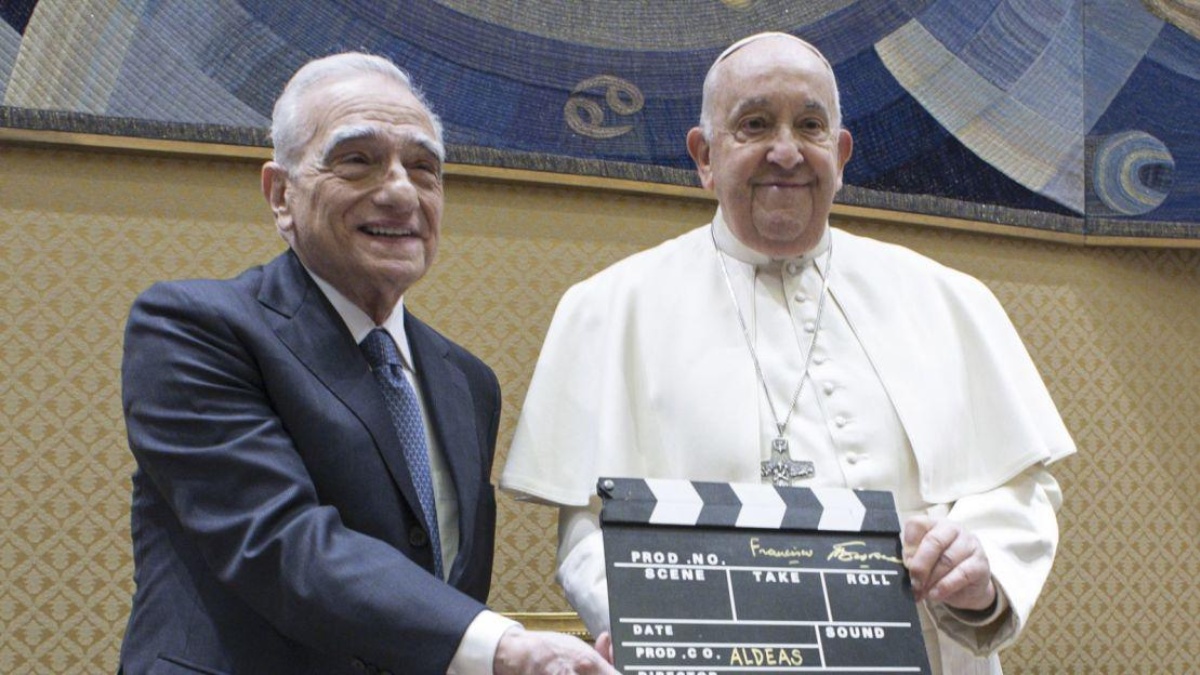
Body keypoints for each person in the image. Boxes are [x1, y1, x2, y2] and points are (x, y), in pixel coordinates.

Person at [500, 32, 1075, 674]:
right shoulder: (608, 308)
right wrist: (670, 636)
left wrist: (980, 569)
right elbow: (590, 533)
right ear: (704, 156)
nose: (786, 150)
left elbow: (1016, 490)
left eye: (810, 125)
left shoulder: (949, 300)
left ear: (842, 151)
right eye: (754, 124)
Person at [118, 52, 617, 675]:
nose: (400, 191)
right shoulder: (193, 328)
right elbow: (282, 543)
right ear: (281, 194)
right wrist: (510, 646)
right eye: (357, 160)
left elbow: (441, 590)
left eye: (423, 167)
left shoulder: (466, 381)